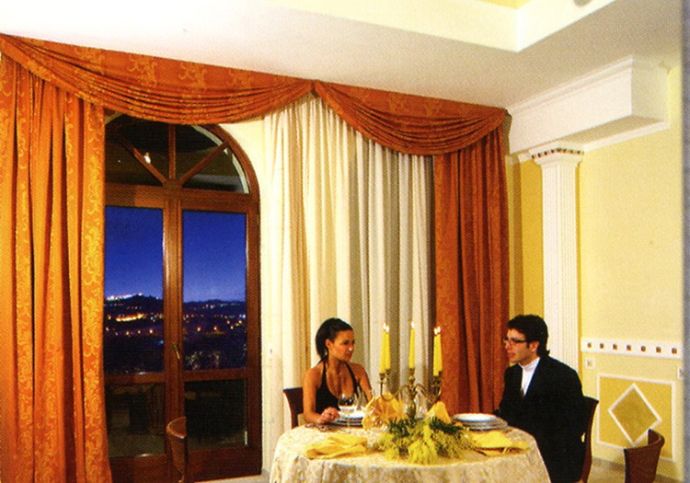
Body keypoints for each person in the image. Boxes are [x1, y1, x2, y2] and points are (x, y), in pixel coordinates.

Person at [496, 314, 586, 483]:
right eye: (506, 340)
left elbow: (573, 427)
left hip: (556, 457)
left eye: (515, 341)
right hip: (522, 449)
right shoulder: (512, 374)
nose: (507, 346)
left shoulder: (563, 376)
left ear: (534, 345)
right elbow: (506, 412)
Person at [302, 318, 373, 424]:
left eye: (353, 343)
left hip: (350, 430)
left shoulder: (358, 371)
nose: (351, 348)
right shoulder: (313, 375)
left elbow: (373, 403)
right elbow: (308, 414)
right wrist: (321, 418)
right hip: (324, 431)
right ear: (328, 344)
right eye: (345, 343)